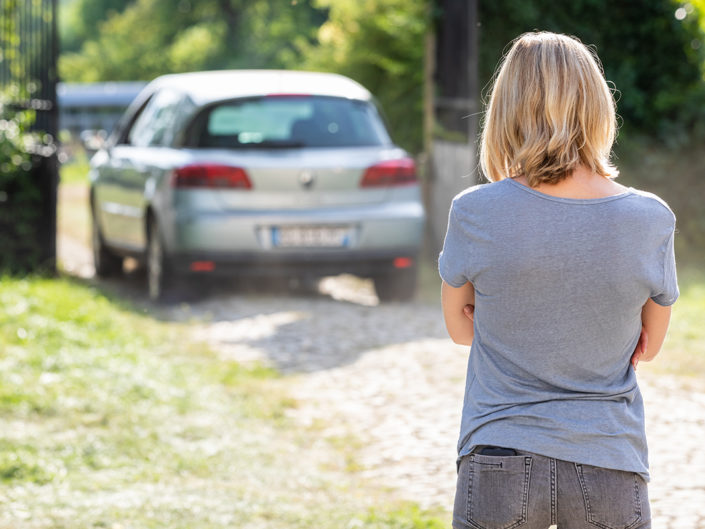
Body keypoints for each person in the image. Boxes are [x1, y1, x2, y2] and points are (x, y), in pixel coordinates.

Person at [439, 32, 678, 529]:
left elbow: (462, 330)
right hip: (610, 458)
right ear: (597, 108)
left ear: (505, 112)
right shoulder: (649, 218)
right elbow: (647, 346)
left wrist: (503, 311)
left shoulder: (475, 211)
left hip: (498, 452)